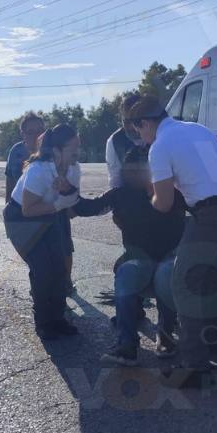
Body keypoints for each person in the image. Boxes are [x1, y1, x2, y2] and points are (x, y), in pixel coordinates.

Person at [127, 96, 217, 387]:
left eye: (138, 131)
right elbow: (215, 176)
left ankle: (194, 366)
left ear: (145, 123)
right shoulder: (198, 129)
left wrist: (151, 194)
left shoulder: (159, 147)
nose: (140, 138)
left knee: (185, 282)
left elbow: (164, 203)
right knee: (209, 277)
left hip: (212, 215)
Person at [74, 147, 186, 365]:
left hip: (169, 256)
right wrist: (67, 191)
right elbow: (89, 208)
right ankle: (127, 344)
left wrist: (153, 189)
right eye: (130, 169)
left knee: (164, 274)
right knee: (126, 273)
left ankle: (165, 334)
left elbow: (192, 212)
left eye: (142, 169)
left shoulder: (170, 192)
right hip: (139, 258)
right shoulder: (119, 194)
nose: (135, 174)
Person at [3, 124, 82, 340]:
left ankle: (58, 318)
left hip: (47, 216)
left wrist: (67, 194)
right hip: (20, 219)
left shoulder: (74, 168)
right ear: (56, 151)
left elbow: (74, 200)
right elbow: (29, 209)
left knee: (59, 268)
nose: (77, 153)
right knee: (43, 269)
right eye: (73, 149)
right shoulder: (39, 170)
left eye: (78, 147)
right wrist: (60, 203)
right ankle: (44, 322)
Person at [106, 93, 145, 188]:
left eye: (136, 120)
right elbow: (115, 181)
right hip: (130, 195)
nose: (132, 127)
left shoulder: (158, 134)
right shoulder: (114, 142)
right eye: (126, 122)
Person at [5, 112, 46, 202]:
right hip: (19, 207)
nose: (37, 136)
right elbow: (10, 182)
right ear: (23, 134)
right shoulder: (16, 151)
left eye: (40, 131)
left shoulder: (53, 152)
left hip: (45, 208)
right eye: (31, 132)